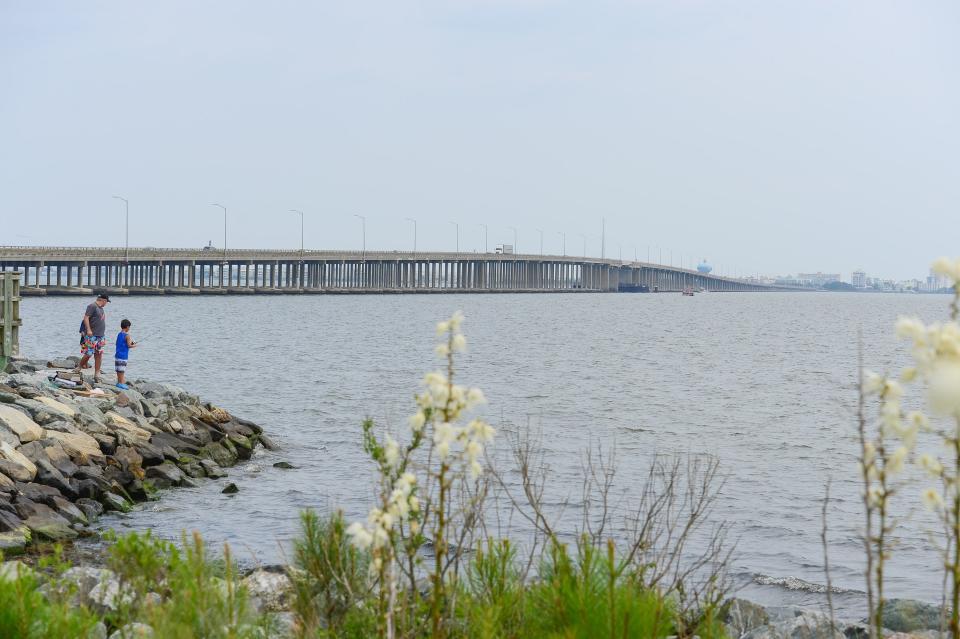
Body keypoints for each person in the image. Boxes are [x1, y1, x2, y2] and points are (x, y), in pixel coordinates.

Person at [75, 293, 110, 382]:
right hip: (92, 335)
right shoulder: (92, 306)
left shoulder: (101, 309)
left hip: (100, 335)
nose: (106, 304)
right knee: (89, 353)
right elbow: (86, 318)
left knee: (98, 354)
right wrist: (88, 330)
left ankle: (97, 373)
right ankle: (79, 367)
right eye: (106, 302)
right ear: (103, 300)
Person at [114, 319, 137, 390]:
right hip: (123, 355)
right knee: (122, 370)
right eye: (129, 327)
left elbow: (118, 343)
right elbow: (129, 345)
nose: (129, 329)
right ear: (127, 327)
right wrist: (134, 345)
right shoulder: (127, 335)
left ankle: (119, 382)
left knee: (118, 369)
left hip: (117, 354)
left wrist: (129, 344)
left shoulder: (119, 334)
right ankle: (121, 383)